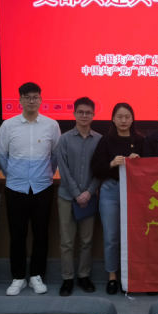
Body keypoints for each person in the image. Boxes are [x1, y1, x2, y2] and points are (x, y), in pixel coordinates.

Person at [0, 82, 61, 296]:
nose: (31, 101)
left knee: (41, 234)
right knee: (17, 234)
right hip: (16, 188)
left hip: (42, 187)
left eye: (35, 97)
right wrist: (13, 175)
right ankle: (18, 277)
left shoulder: (51, 125)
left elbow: (55, 155)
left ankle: (36, 275)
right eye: (27, 97)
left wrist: (46, 174)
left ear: (41, 99)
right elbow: (2, 155)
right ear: (20, 100)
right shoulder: (8, 125)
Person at [92, 103, 144, 295]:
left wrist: (139, 162)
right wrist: (112, 164)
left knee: (135, 236)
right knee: (111, 237)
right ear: (113, 119)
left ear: (132, 119)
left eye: (127, 117)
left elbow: (151, 169)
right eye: (119, 116)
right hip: (111, 191)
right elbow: (96, 169)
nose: (123, 120)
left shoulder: (141, 140)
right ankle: (112, 277)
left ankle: (133, 275)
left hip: (135, 192)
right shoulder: (105, 140)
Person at [57, 97, 102, 296]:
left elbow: (100, 170)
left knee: (86, 241)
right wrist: (77, 194)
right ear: (74, 113)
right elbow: (63, 169)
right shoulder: (65, 139)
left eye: (88, 112)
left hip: (89, 198)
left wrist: (88, 192)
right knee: (67, 241)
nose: (84, 115)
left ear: (93, 115)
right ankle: (67, 278)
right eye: (81, 112)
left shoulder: (99, 140)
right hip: (67, 197)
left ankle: (84, 276)